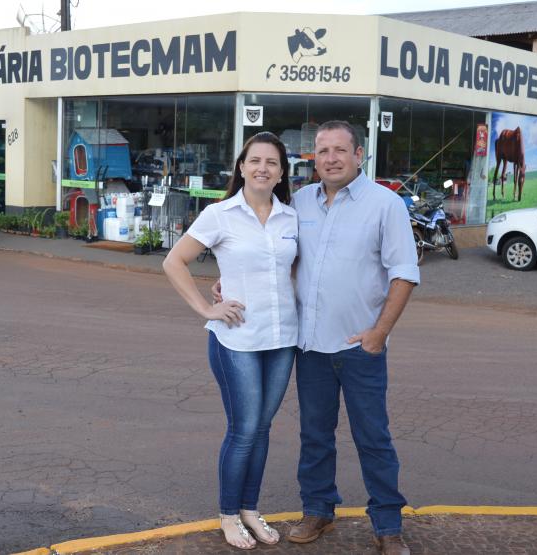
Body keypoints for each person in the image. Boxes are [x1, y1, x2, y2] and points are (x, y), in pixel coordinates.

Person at [214, 121, 419, 554]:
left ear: (359, 155)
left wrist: (379, 334)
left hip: (360, 346)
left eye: (340, 150)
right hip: (309, 347)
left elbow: (404, 274)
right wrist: (228, 282)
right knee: (315, 437)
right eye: (323, 151)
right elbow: (276, 255)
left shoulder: (386, 204)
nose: (330, 158)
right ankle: (318, 510)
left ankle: (387, 525)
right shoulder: (299, 202)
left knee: (373, 438)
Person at [163, 132, 298, 550]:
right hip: (237, 340)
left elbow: (291, 273)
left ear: (281, 173)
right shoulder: (220, 214)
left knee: (262, 428)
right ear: (241, 167)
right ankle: (228, 514)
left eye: (271, 162)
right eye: (255, 160)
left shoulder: (290, 218)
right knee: (244, 429)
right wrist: (207, 308)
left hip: (282, 339)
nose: (262, 168)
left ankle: (249, 509)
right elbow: (174, 261)